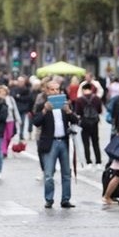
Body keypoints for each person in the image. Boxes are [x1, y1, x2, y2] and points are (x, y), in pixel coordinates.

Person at [33, 80, 78, 208]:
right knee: (48, 175)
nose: (55, 92)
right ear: (47, 91)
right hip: (50, 143)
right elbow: (36, 122)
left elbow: (76, 120)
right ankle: (49, 199)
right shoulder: (43, 105)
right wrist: (44, 111)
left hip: (63, 141)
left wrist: (69, 111)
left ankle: (65, 199)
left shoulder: (64, 105)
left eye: (57, 89)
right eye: (52, 89)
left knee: (66, 173)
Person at [73, 82, 103, 169]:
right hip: (94, 123)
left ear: (83, 89)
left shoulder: (79, 100)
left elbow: (78, 112)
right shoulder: (97, 98)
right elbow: (100, 111)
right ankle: (98, 162)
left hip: (84, 123)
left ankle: (88, 162)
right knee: (96, 142)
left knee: (86, 143)